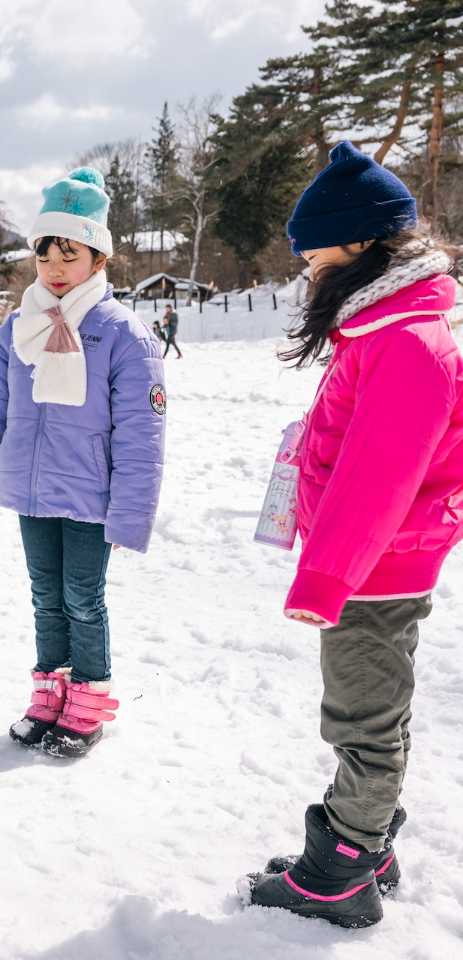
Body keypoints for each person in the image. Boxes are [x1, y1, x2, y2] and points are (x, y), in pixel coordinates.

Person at [244, 143, 463, 928]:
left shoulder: (405, 342)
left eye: (315, 255)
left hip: (376, 567)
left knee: (362, 720)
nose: (307, 270)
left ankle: (340, 870)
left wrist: (326, 579)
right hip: (382, 560)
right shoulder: (386, 328)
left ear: (363, 242)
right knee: (377, 711)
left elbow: (378, 478)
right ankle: (369, 841)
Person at [0, 167, 165, 759]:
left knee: (82, 598)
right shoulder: (17, 328)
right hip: (31, 491)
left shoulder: (124, 333)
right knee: (45, 596)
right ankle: (51, 692)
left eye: (68, 255)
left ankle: (89, 700)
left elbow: (142, 436)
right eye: (44, 255)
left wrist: (130, 514)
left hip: (91, 497)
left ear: (98, 258)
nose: (53, 268)